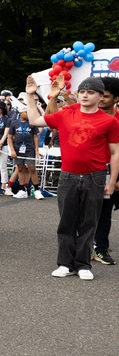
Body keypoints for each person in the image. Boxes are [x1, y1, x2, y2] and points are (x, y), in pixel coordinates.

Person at [24, 76, 119, 280]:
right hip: (68, 176)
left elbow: (115, 153)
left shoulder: (110, 121)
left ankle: (83, 264)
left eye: (90, 92)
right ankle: (65, 263)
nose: (85, 95)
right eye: (82, 91)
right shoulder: (66, 113)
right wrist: (30, 96)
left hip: (96, 176)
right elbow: (34, 120)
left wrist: (112, 181)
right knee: (66, 222)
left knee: (89, 222)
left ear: (100, 97)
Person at [93, 77, 119, 265]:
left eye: (106, 96)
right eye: (100, 95)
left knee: (105, 211)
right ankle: (84, 246)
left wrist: (116, 178)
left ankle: (101, 248)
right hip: (87, 171)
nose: (101, 99)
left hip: (110, 171)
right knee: (82, 212)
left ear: (116, 99)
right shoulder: (88, 115)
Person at [7, 103, 42, 200]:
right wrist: (12, 150)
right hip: (18, 148)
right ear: (20, 112)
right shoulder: (14, 123)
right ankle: (22, 189)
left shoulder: (32, 123)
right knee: (20, 168)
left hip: (29, 148)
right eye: (25, 112)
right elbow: (10, 137)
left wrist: (37, 150)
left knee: (31, 167)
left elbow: (35, 136)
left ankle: (36, 189)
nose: (27, 114)